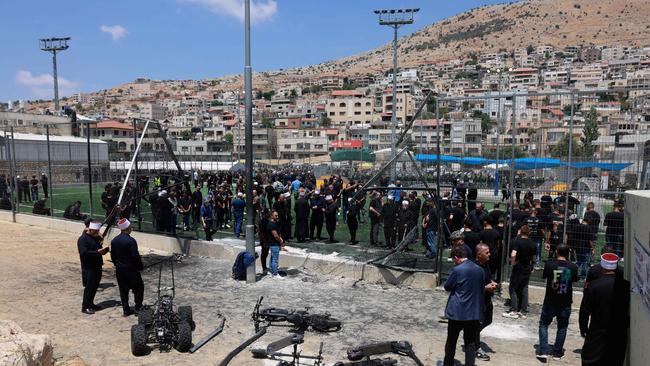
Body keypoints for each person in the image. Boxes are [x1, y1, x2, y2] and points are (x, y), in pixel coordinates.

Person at [579, 253, 630, 366]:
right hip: (618, 332)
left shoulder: (593, 286)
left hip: (597, 330)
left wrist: (583, 328)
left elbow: (584, 311)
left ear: (602, 267)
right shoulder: (626, 286)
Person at [441, 246, 485, 366]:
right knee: (470, 343)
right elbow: (481, 291)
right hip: (473, 313)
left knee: (451, 341)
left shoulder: (457, 270)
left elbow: (447, 287)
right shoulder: (480, 270)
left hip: (457, 312)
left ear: (456, 257)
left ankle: (448, 364)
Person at [536, 245, 578, 361]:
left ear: (556, 252)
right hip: (565, 301)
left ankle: (543, 350)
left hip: (550, 300)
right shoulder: (573, 267)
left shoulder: (550, 264)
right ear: (568, 253)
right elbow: (574, 280)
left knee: (544, 324)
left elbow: (544, 276)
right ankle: (557, 353)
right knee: (562, 327)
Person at [110, 218, 144, 316]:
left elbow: (113, 256)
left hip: (120, 270)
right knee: (138, 288)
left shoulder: (114, 240)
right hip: (131, 270)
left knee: (123, 290)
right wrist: (140, 266)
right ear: (127, 228)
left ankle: (126, 309)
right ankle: (138, 308)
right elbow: (135, 256)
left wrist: (118, 265)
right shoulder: (131, 241)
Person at [503, 225, 536, 319]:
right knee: (524, 288)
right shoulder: (533, 244)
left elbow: (513, 254)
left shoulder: (517, 242)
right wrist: (532, 265)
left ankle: (514, 310)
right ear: (529, 232)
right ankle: (523, 311)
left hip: (518, 267)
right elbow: (533, 258)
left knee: (513, 288)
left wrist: (513, 263)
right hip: (527, 267)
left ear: (521, 232)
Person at [77, 221, 109, 314]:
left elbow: (98, 247)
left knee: (94, 286)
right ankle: (85, 306)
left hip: (97, 265)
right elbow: (83, 253)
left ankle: (91, 304)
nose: (97, 233)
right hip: (89, 267)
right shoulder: (83, 239)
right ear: (90, 230)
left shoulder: (95, 238)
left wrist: (103, 250)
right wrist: (97, 252)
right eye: (95, 232)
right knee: (89, 287)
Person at [475, 243, 497, 361]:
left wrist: (492, 282)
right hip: (478, 301)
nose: (489, 254)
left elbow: (487, 279)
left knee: (488, 320)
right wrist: (485, 287)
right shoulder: (475, 268)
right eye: (486, 252)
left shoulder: (486, 264)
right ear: (479, 255)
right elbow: (471, 287)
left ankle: (472, 335)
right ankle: (475, 347)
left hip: (487, 299)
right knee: (477, 324)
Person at [267, 210, 287, 278]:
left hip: (273, 244)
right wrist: (280, 241)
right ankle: (275, 274)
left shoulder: (274, 223)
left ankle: (272, 271)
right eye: (276, 215)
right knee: (275, 259)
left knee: (272, 258)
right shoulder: (271, 224)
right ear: (271, 216)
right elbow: (275, 235)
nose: (277, 216)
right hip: (274, 244)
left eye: (277, 215)